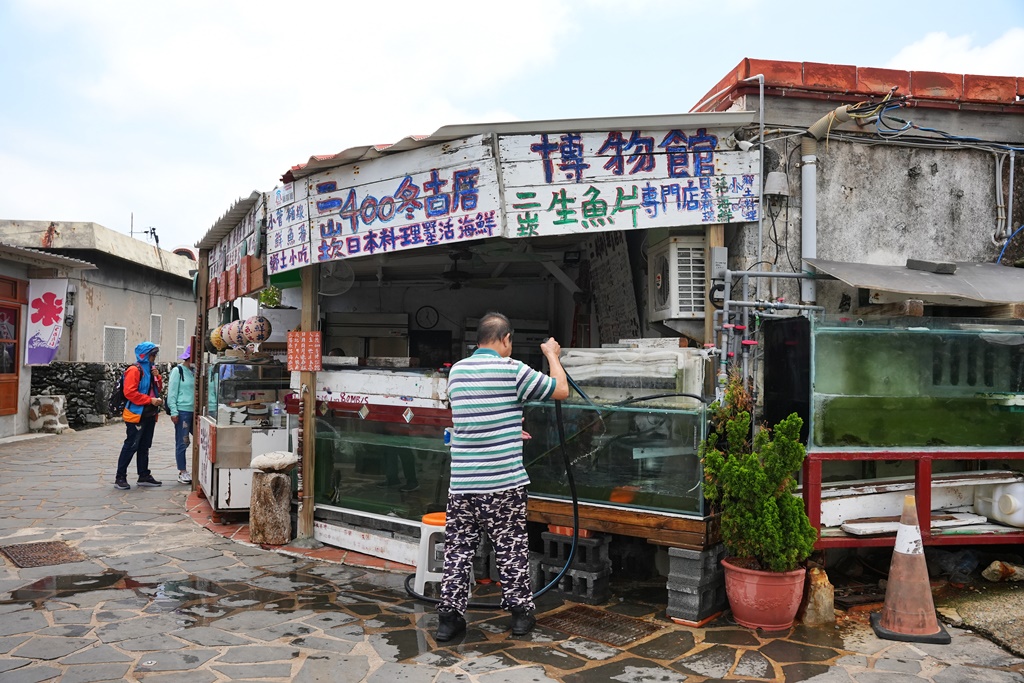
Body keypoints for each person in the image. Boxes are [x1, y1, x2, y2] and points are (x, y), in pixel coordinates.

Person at [434, 312, 568, 642]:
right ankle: (521, 618)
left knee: (458, 552)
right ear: (506, 339)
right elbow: (561, 390)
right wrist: (552, 355)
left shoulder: (457, 372)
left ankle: (448, 621)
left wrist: (507, 431)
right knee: (510, 551)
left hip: (463, 485)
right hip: (502, 484)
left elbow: (473, 418)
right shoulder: (513, 369)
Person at [114, 342, 164, 490]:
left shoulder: (151, 369)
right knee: (131, 445)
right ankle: (120, 477)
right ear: (145, 355)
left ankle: (144, 475)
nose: (154, 357)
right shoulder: (134, 370)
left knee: (144, 446)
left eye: (155, 354)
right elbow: (129, 393)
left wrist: (158, 378)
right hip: (136, 414)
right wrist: (150, 400)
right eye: (152, 354)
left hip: (149, 413)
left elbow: (156, 389)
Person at [168, 344, 196, 484]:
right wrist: (174, 411)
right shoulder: (177, 371)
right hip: (183, 411)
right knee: (182, 441)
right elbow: (171, 393)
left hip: (195, 411)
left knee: (200, 440)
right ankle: (182, 471)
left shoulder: (195, 372)